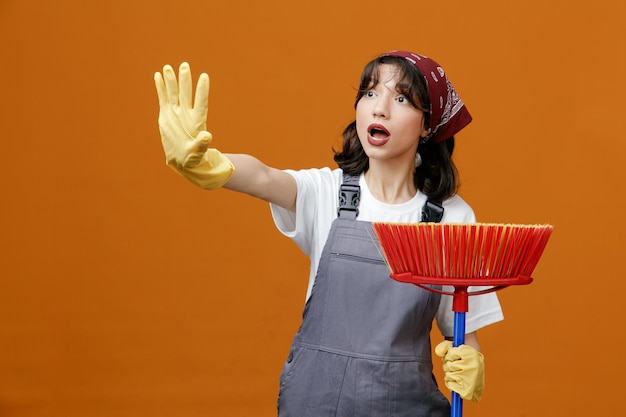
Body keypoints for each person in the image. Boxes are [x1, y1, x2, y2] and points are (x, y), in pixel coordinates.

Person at [154, 50, 504, 417]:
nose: (379, 108)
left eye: (401, 98)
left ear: (428, 125)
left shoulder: (451, 218)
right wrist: (210, 162)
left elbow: (462, 332)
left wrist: (471, 362)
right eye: (370, 93)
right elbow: (264, 177)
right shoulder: (328, 193)